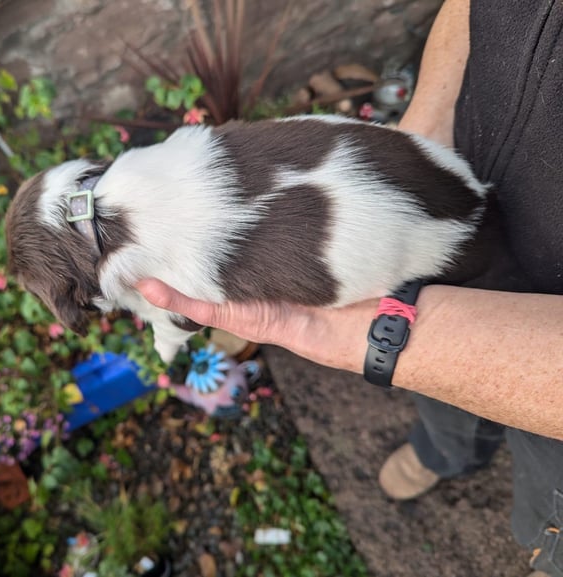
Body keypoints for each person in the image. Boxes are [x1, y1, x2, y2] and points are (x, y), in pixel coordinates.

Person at [136, 1, 563, 575]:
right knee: (442, 399)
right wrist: (417, 144)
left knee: (545, 510)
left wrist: (394, 341)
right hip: (458, 191)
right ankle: (447, 452)